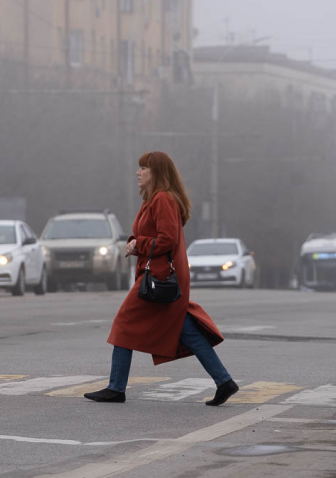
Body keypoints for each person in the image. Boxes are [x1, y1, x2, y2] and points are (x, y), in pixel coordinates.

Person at [84, 151, 239, 406]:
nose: (138, 172)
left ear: (156, 172)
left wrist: (138, 245)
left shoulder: (163, 199)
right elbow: (154, 236)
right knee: (186, 331)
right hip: (159, 275)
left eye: (143, 168)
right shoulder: (154, 199)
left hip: (157, 277)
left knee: (123, 324)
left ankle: (116, 388)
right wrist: (135, 242)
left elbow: (167, 239)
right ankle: (224, 382)